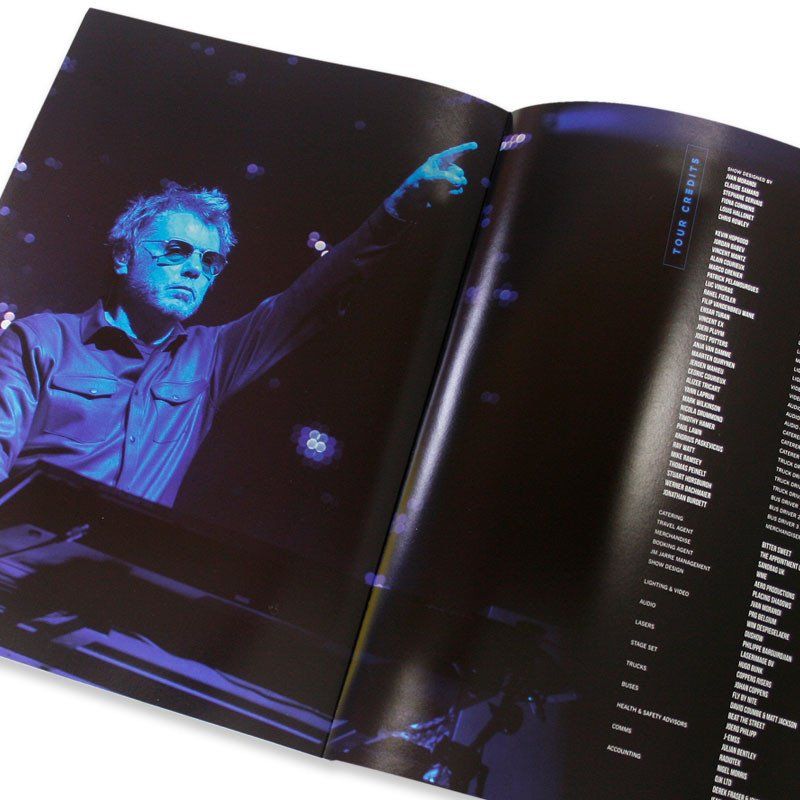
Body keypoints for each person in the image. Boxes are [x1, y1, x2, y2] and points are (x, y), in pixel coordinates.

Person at [0, 142, 478, 506]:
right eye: (176, 251)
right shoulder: (41, 341)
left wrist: (398, 209)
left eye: (209, 261)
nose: (194, 269)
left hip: (108, 582)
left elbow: (308, 299)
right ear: (124, 256)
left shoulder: (210, 358)